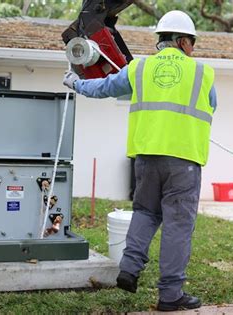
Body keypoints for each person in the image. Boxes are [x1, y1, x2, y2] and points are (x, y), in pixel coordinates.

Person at [63, 10, 217, 311]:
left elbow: (104, 88)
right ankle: (171, 295)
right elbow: (212, 105)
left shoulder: (140, 68)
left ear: (161, 40)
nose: (193, 48)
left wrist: (75, 82)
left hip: (146, 158)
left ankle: (130, 270)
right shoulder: (203, 72)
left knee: (145, 213)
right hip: (184, 161)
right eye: (193, 43)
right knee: (177, 226)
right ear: (184, 41)